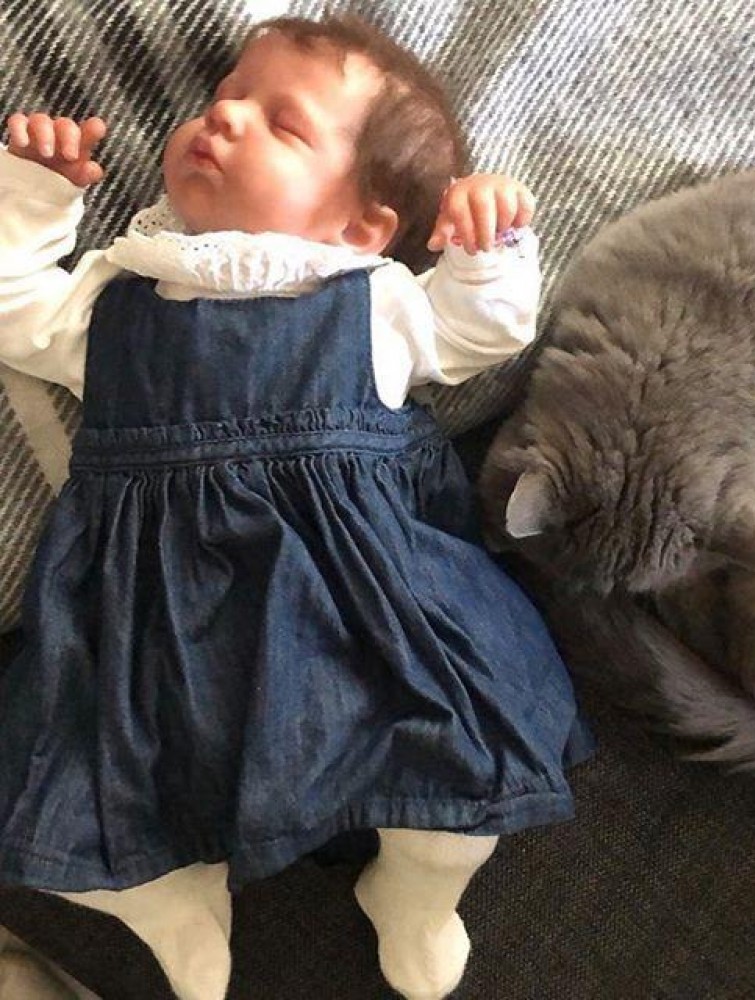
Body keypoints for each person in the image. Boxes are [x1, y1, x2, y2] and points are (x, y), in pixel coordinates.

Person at [0, 14, 592, 1000]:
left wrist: (488, 243)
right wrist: (33, 193)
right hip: (150, 623)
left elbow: (479, 332)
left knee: (458, 792)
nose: (225, 115)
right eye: (227, 94)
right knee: (77, 812)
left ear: (361, 227)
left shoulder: (374, 299)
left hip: (363, 607)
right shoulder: (114, 296)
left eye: (283, 124)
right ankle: (172, 896)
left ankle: (412, 890)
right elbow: (14, 308)